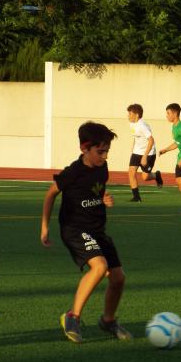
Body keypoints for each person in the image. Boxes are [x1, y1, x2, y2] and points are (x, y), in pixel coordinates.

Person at [40, 121, 132, 344]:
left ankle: (108, 320)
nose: (105, 156)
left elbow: (96, 190)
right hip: (74, 229)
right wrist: (44, 226)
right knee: (99, 267)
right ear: (84, 149)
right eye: (100, 151)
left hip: (96, 229)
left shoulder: (102, 168)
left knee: (118, 278)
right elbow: (51, 194)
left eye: (107, 150)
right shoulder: (73, 172)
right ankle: (72, 316)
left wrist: (104, 198)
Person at [126, 103, 163, 202]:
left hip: (149, 153)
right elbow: (136, 136)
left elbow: (151, 140)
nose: (128, 116)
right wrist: (133, 148)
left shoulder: (142, 125)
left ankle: (156, 176)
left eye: (130, 113)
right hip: (137, 152)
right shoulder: (131, 124)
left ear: (137, 115)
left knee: (145, 177)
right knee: (131, 173)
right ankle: (136, 197)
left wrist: (144, 156)